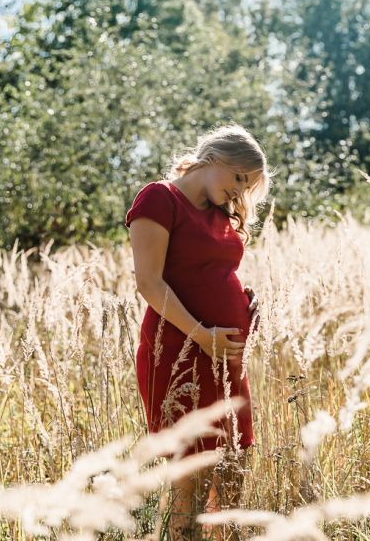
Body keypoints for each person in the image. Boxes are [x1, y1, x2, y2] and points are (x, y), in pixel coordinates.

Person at [125, 123, 273, 540]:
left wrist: (244, 298)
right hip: (178, 352)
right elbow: (149, 282)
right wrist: (202, 335)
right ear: (213, 158)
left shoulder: (219, 212)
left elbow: (212, 271)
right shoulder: (159, 198)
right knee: (190, 477)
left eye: (247, 185)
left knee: (234, 466)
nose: (239, 191)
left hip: (227, 360)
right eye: (238, 177)